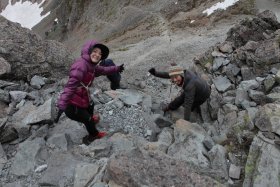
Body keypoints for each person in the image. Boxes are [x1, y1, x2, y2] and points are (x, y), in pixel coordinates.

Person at [57, 40, 124, 145]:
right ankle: (93, 136)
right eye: (95, 51)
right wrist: (62, 106)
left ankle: (91, 119)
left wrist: (117, 68)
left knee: (91, 105)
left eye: (100, 54)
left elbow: (104, 70)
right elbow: (70, 87)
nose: (97, 55)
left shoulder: (92, 66)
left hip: (81, 96)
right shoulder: (81, 65)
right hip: (71, 105)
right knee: (87, 119)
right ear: (88, 51)